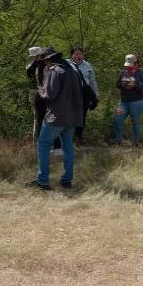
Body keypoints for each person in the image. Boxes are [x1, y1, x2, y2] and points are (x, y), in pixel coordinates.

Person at [27, 47, 84, 190]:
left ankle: (43, 181)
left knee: (43, 144)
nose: (45, 63)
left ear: (48, 59)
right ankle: (67, 180)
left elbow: (49, 95)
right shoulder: (73, 70)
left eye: (45, 60)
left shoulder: (54, 71)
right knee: (68, 147)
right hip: (72, 116)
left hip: (56, 116)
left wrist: (41, 90)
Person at [26, 47, 62, 151]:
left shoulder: (40, 64)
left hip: (43, 93)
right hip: (37, 94)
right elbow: (32, 77)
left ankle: (46, 143)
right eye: (40, 55)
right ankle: (39, 143)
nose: (42, 56)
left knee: (44, 119)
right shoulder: (33, 65)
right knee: (39, 119)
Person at [114, 54, 143, 145]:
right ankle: (118, 141)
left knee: (135, 122)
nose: (128, 66)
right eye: (127, 64)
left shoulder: (140, 73)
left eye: (131, 64)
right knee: (117, 119)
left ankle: (135, 142)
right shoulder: (123, 72)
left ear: (135, 63)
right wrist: (124, 85)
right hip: (123, 102)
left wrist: (135, 86)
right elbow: (117, 84)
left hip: (137, 102)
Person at [69, 46, 99, 143]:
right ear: (72, 55)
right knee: (70, 113)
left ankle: (79, 136)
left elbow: (92, 81)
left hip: (85, 91)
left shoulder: (87, 65)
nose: (79, 56)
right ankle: (68, 136)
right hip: (72, 92)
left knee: (82, 115)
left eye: (80, 54)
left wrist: (96, 94)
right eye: (76, 54)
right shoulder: (67, 64)